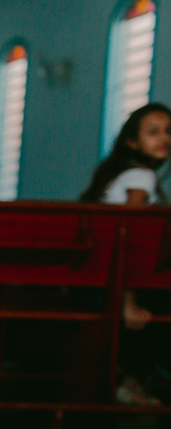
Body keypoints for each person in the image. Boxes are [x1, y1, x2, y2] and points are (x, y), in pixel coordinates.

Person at [81, 102, 171, 406]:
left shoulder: (121, 173)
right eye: (153, 132)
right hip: (112, 284)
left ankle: (132, 379)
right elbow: (131, 237)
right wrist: (127, 300)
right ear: (132, 141)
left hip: (94, 280)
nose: (165, 139)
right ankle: (132, 382)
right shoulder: (141, 178)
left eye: (169, 131)